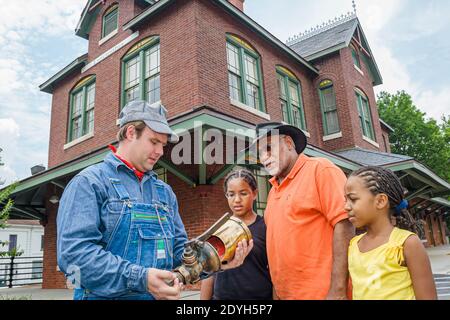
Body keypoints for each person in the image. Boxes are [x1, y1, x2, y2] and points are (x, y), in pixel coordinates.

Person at [57, 100, 251, 300]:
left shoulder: (164, 192)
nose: (160, 151)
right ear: (131, 133)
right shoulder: (89, 183)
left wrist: (214, 261)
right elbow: (74, 255)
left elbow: (180, 254)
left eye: (163, 145)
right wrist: (141, 278)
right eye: (153, 142)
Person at [252, 122, 355, 300]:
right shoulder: (272, 192)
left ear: (289, 143)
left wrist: (338, 290)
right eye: (260, 153)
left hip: (323, 295)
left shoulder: (321, 169)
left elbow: (345, 224)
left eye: (269, 148)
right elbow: (276, 247)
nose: (264, 157)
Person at [345, 166, 437, 300]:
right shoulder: (353, 245)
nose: (346, 206)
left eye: (353, 199)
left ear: (381, 201)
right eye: (345, 200)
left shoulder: (407, 243)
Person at [200, 169, 272, 300]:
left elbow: (275, 271)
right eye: (231, 194)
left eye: (243, 193)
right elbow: (209, 271)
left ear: (254, 194)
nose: (237, 200)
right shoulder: (219, 228)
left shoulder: (266, 227)